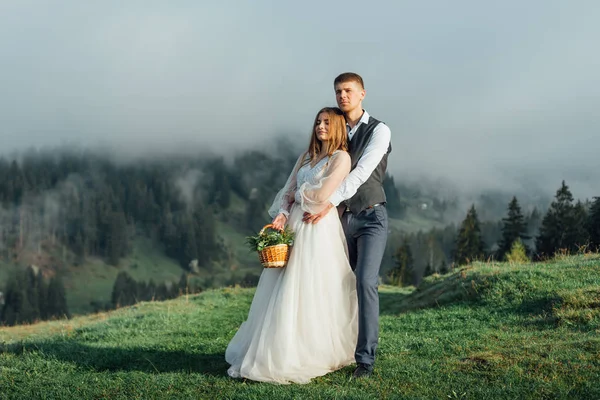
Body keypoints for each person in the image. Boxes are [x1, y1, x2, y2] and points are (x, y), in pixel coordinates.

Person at [225, 107, 359, 384]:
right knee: (282, 284)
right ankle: (275, 346)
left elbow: (323, 194)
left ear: (337, 127)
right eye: (318, 122)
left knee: (311, 284)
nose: (321, 126)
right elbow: (288, 191)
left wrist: (300, 195)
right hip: (295, 223)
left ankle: (310, 348)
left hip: (317, 226)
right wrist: (283, 213)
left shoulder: (341, 158)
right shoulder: (306, 157)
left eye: (326, 122)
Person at [303, 72, 392, 379]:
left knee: (365, 282)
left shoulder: (379, 131)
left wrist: (329, 201)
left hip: (370, 217)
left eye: (348, 90)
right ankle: (331, 349)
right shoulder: (333, 125)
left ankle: (365, 361)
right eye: (338, 91)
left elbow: (361, 173)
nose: (343, 95)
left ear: (362, 93)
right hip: (338, 220)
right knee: (335, 286)